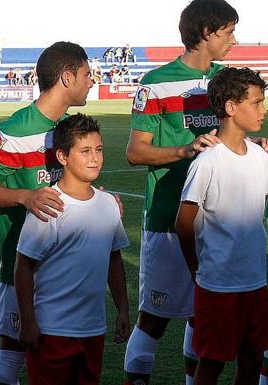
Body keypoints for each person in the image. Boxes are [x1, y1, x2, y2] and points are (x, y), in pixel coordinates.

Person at [123, 1, 238, 384]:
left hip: (218, 217)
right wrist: (184, 150)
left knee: (202, 312)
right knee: (154, 319)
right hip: (169, 215)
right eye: (227, 32)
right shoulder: (155, 82)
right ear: (207, 33)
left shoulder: (229, 82)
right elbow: (135, 151)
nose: (234, 41)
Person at [0, 41, 94, 385]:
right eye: (86, 74)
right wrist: (25, 196)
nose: (91, 81)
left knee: (52, 347)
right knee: (13, 347)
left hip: (59, 260)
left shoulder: (71, 129)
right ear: (68, 77)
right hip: (16, 257)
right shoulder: (15, 130)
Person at [15, 113, 130, 385]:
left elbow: (114, 260)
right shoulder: (49, 205)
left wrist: (123, 308)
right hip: (52, 330)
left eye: (99, 150)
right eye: (85, 151)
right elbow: (23, 266)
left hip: (93, 328)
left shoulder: (109, 204)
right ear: (63, 157)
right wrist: (28, 321)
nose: (95, 158)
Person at [175, 67, 268, 385]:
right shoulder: (207, 162)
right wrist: (197, 270)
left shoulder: (259, 156)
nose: (263, 109)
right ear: (230, 107)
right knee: (212, 362)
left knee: (253, 358)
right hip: (218, 285)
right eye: (256, 102)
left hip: (256, 280)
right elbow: (184, 224)